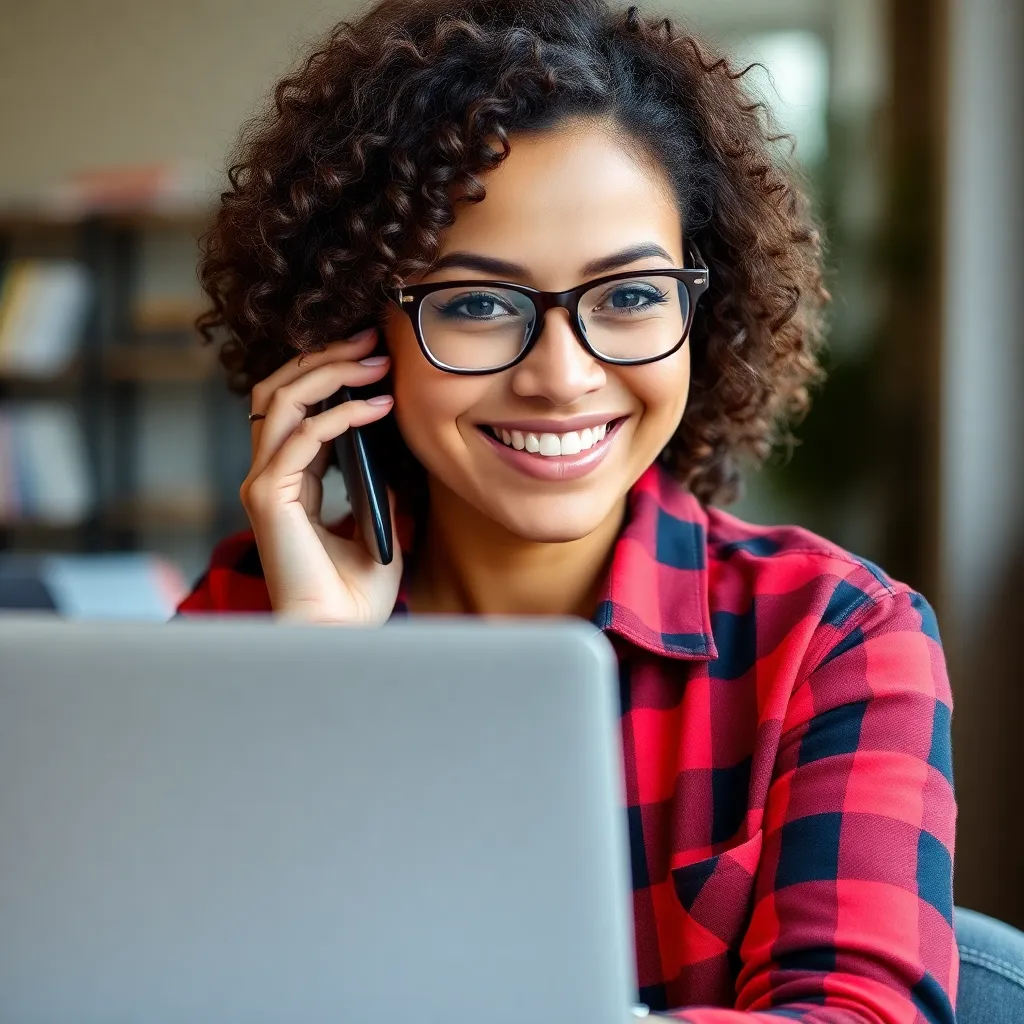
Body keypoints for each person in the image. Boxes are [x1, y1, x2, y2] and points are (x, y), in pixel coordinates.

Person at [178, 1, 958, 1020]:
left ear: (698, 314)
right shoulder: (251, 616)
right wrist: (335, 681)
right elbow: (183, 981)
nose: (562, 376)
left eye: (629, 296)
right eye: (476, 303)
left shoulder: (831, 638)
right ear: (355, 336)